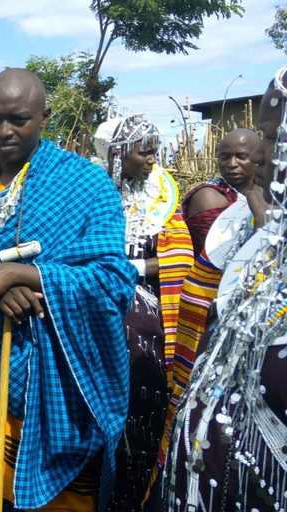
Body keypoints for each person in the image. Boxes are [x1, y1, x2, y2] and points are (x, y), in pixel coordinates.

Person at [0, 68, 135, 511]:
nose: (3, 132)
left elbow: (114, 282)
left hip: (58, 389)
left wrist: (20, 275)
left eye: (19, 119)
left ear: (44, 116)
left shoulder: (84, 183)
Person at [160, 66, 287, 512]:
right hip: (217, 452)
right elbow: (201, 310)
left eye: (274, 140)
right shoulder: (231, 220)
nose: (265, 156)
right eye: (269, 138)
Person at [94, 114, 194, 511]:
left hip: (150, 330)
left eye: (155, 147)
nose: (153, 156)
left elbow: (180, 258)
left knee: (144, 413)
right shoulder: (88, 195)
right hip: (97, 322)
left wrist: (124, 269)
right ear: (115, 152)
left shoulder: (163, 199)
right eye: (143, 148)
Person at [182, 128, 259, 256]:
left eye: (242, 157)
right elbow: (219, 255)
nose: (232, 164)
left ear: (258, 159)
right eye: (224, 157)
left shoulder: (267, 192)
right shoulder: (208, 197)